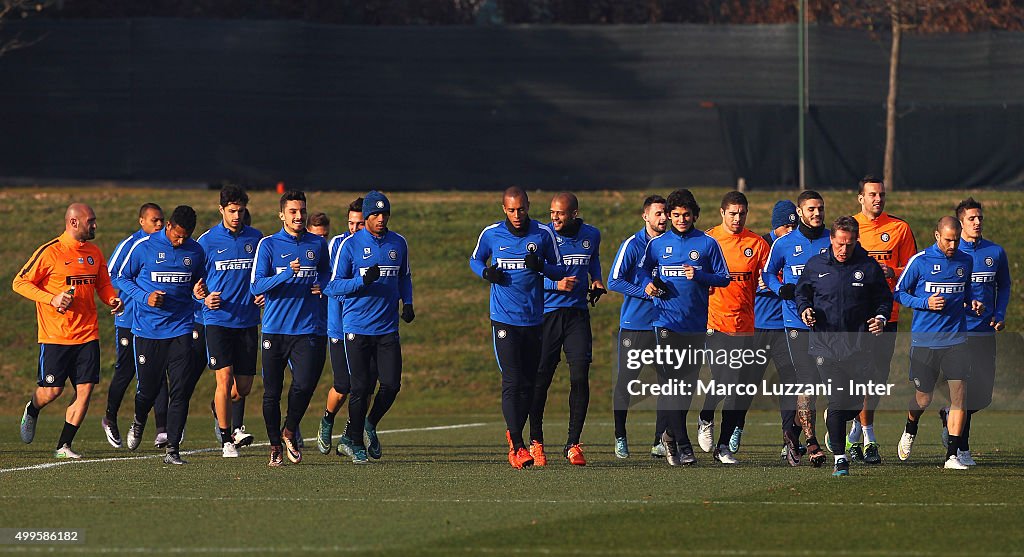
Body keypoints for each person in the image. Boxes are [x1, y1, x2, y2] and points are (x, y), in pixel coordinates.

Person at [14, 203, 123, 458]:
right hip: (56, 336)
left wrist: (112, 300)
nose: (95, 225)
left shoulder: (94, 253)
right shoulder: (50, 252)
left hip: (88, 334)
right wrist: (52, 298)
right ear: (74, 222)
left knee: (84, 391)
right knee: (52, 391)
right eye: (91, 221)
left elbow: (103, 285)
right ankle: (32, 408)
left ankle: (63, 446)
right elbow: (19, 282)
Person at [469, 187, 566, 469]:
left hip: (534, 318)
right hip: (503, 318)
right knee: (512, 380)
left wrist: (543, 267)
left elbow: (560, 270)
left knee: (529, 383)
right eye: (511, 210)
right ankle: (518, 447)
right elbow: (475, 259)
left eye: (521, 209)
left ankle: (515, 435)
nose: (517, 215)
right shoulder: (491, 234)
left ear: (528, 206)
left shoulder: (543, 234)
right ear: (504, 209)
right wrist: (486, 272)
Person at [638, 189, 730, 466]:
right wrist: (648, 284)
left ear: (695, 215)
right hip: (665, 322)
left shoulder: (707, 243)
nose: (680, 219)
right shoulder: (658, 244)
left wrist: (699, 275)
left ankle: (668, 435)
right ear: (668, 215)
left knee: (686, 387)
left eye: (686, 214)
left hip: (695, 324)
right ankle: (683, 442)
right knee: (670, 383)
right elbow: (643, 269)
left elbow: (724, 278)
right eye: (675, 215)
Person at [794, 216, 892, 476]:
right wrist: (805, 310)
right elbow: (802, 293)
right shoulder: (815, 265)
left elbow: (884, 299)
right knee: (837, 400)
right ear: (831, 240)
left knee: (852, 404)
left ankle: (835, 420)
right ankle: (840, 458)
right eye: (839, 244)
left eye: (849, 244)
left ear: (856, 241)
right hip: (825, 346)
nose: (843, 249)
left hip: (858, 347)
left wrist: (880, 318)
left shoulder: (868, 267)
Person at [327, 191, 414, 464]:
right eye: (375, 214)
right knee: (360, 388)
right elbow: (332, 286)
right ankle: (351, 441)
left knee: (391, 385)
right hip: (356, 327)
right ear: (365, 217)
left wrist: (407, 302)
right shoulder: (350, 245)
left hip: (387, 327)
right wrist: (361, 281)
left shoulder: (398, 243)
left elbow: (405, 277)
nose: (380, 219)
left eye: (384, 214)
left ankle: (368, 424)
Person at [117, 205, 206, 465]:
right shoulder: (143, 246)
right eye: (177, 235)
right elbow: (121, 277)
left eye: (185, 237)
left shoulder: (195, 250)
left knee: (179, 390)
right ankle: (139, 419)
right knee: (148, 389)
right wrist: (145, 297)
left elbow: (198, 283)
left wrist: (199, 292)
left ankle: (172, 449)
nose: (180, 241)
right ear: (168, 226)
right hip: (148, 330)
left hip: (181, 327)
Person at [894, 217, 983, 470]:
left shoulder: (965, 261)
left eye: (956, 239)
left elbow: (965, 293)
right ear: (936, 235)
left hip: (956, 339)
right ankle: (911, 428)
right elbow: (899, 293)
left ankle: (952, 455)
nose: (953, 244)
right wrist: (925, 303)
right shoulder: (920, 261)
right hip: (925, 341)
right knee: (923, 399)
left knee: (960, 397)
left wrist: (972, 303)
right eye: (948, 239)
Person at [251, 190, 331, 467]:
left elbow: (326, 272)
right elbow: (256, 285)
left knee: (305, 384)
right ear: (282, 215)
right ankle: (275, 445)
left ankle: (289, 430)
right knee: (271, 392)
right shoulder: (268, 245)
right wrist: (285, 273)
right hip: (274, 329)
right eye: (293, 212)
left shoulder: (317, 245)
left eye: (302, 211)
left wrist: (323, 285)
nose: (298, 216)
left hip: (307, 329)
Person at [527, 192, 604, 466]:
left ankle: (573, 444)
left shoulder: (591, 235)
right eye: (551, 212)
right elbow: (531, 275)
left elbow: (592, 259)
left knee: (580, 375)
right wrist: (555, 285)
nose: (554, 218)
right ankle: (536, 441)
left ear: (574, 213)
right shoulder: (542, 236)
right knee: (541, 379)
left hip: (577, 316)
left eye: (559, 213)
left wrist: (597, 280)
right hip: (547, 315)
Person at [761, 190, 832, 467]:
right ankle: (811, 441)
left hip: (830, 323)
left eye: (820, 209)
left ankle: (794, 430)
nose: (816, 213)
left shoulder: (833, 239)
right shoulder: (784, 243)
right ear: (800, 213)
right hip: (795, 322)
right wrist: (781, 289)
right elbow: (767, 272)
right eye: (811, 209)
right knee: (806, 379)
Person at [849, 175, 917, 464]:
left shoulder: (899, 228)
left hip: (886, 314)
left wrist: (892, 269)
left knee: (877, 378)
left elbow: (914, 270)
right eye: (872, 194)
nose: (877, 198)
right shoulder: (848, 227)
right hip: (854, 315)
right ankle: (867, 436)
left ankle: (855, 429)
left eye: (881, 194)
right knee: (856, 377)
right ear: (860, 198)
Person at [700, 191, 771, 463]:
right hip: (714, 323)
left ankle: (722, 448)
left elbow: (771, 274)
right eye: (732, 213)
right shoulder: (709, 240)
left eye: (742, 213)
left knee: (738, 387)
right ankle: (706, 416)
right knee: (726, 379)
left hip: (745, 325)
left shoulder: (757, 243)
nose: (737, 218)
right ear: (722, 213)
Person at [939, 198, 1011, 465]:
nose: (977, 222)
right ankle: (961, 449)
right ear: (960, 223)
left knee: (983, 397)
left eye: (979, 217)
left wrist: (999, 314)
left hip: (985, 332)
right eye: (972, 218)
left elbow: (1003, 286)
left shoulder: (996, 252)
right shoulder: (952, 255)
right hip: (958, 333)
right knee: (964, 394)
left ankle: (948, 415)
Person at [195, 185, 263, 458]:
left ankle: (218, 407)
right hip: (218, 320)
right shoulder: (207, 241)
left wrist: (263, 295)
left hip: (247, 320)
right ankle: (227, 440)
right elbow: (193, 280)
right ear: (221, 209)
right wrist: (201, 297)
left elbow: (263, 275)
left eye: (241, 210)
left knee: (242, 388)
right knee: (223, 380)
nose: (236, 215)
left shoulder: (257, 239)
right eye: (232, 211)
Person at [102, 203, 170, 449]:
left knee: (158, 371)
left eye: (162, 220)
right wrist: (115, 299)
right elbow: (110, 276)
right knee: (126, 370)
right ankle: (110, 417)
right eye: (154, 220)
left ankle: (162, 429)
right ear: (141, 221)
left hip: (153, 322)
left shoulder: (165, 245)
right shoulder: (130, 245)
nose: (159, 224)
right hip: (128, 319)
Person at [608, 195, 669, 459]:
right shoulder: (633, 245)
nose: (663, 218)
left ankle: (659, 440)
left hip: (665, 324)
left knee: (668, 384)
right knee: (626, 383)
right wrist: (646, 292)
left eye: (666, 213)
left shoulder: (672, 244)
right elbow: (614, 281)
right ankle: (620, 436)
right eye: (658, 213)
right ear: (645, 216)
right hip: (635, 325)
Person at [316, 198, 378, 455]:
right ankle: (327, 419)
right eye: (351, 223)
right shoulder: (338, 245)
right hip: (338, 327)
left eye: (359, 223)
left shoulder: (375, 246)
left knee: (366, 384)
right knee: (343, 385)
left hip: (367, 327)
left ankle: (352, 434)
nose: (354, 227)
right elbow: (327, 278)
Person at [749, 200, 802, 464]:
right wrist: (773, 285)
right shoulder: (760, 245)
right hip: (758, 325)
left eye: (795, 224)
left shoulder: (798, 245)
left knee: (792, 385)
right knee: (746, 383)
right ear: (775, 226)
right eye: (786, 226)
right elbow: (751, 283)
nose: (791, 230)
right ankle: (731, 432)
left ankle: (790, 439)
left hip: (786, 326)